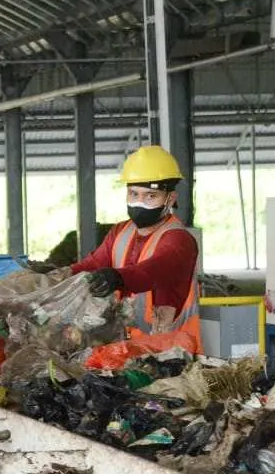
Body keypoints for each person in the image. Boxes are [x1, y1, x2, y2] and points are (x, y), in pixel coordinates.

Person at [67, 145, 202, 352]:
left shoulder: (179, 240)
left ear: (170, 199)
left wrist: (117, 278)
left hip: (169, 357)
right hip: (124, 351)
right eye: (133, 194)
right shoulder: (121, 231)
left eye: (150, 196)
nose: (139, 203)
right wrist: (57, 275)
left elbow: (153, 270)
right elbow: (93, 264)